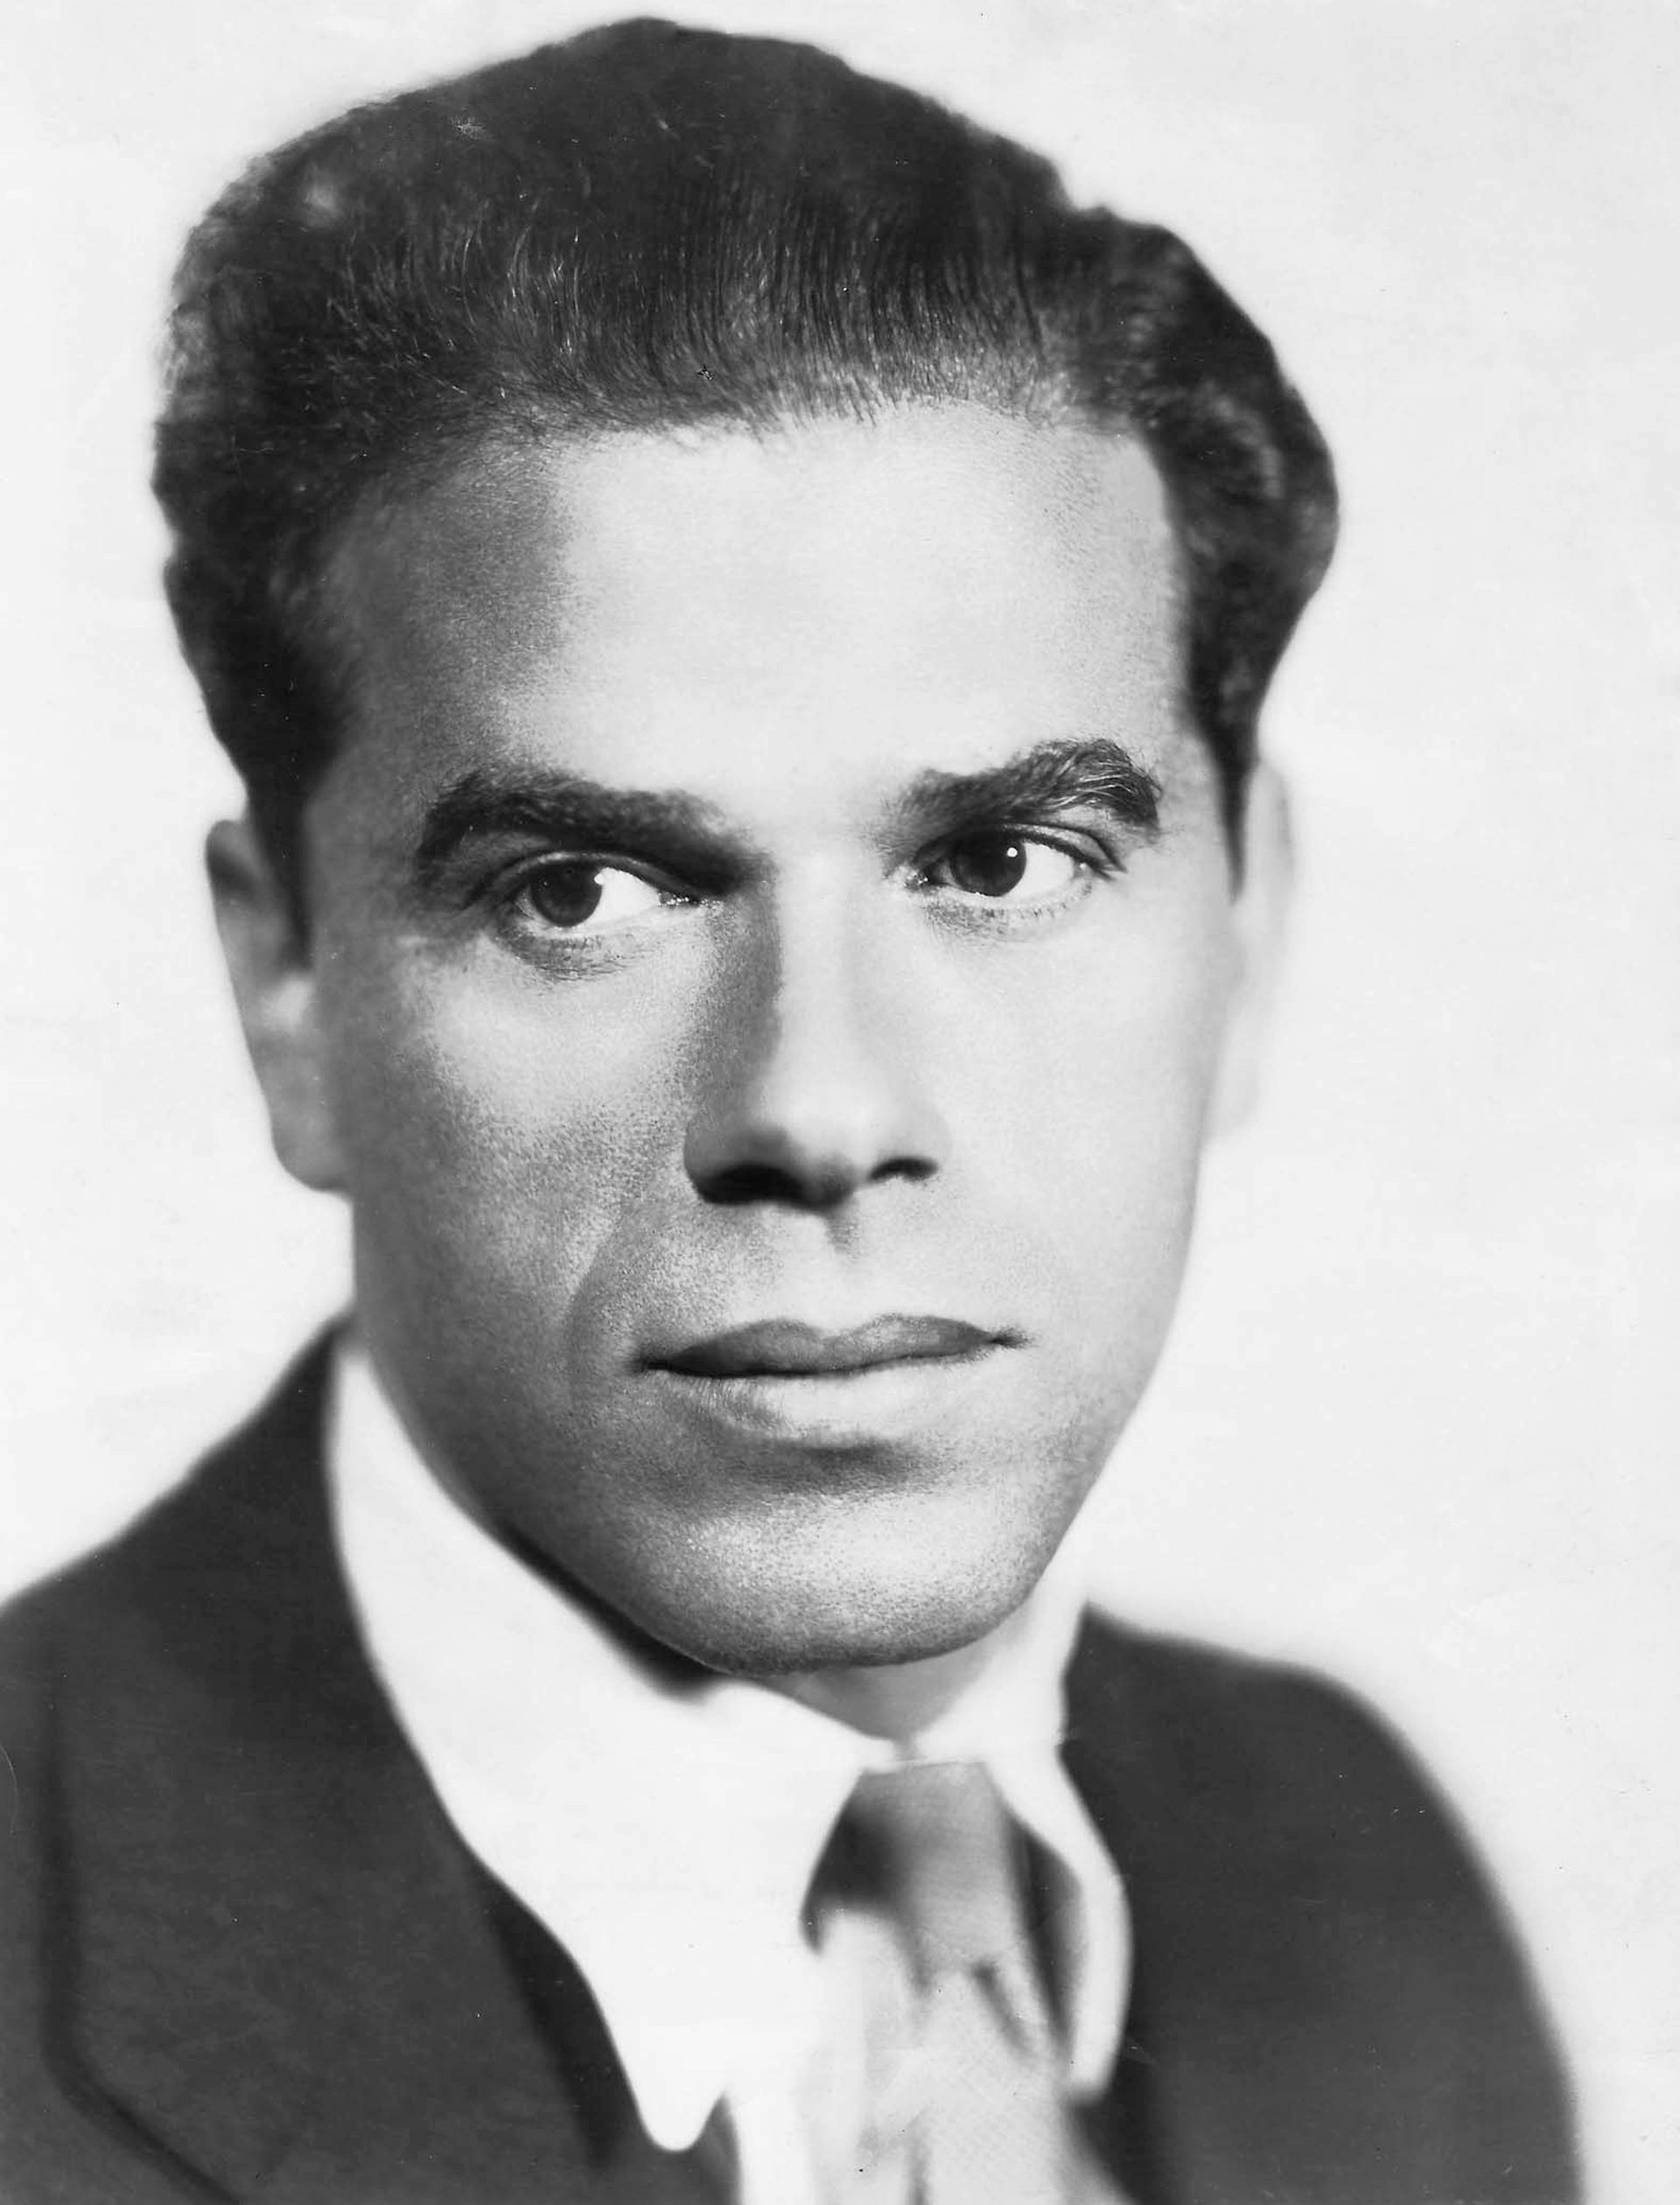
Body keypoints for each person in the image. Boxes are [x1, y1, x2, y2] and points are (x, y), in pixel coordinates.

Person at [0, 18, 1578, 2202]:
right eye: (583, 891)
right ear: (287, 986)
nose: (820, 1110)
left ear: (1252, 929)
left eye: (1002, 863)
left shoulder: (1357, 1881)